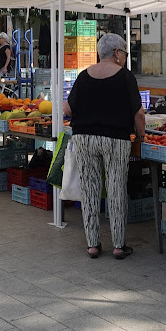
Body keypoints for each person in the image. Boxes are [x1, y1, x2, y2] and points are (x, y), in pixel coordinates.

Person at [63, 33, 146, 260]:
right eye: (125, 53)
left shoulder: (83, 76)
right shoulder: (126, 77)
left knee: (90, 189)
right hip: (115, 139)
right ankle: (118, 245)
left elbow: (68, 109)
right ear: (117, 53)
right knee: (116, 188)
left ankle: (92, 245)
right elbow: (138, 112)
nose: (126, 58)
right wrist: (141, 135)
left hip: (84, 138)